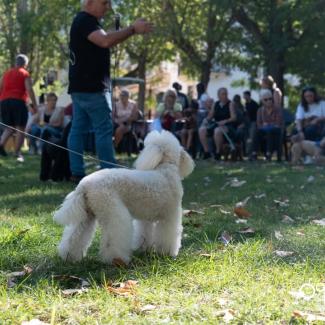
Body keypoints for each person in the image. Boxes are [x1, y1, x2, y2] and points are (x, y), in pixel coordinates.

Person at [68, 0, 153, 182]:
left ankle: (76, 172)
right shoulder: (86, 20)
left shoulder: (82, 21)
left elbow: (104, 38)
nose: (108, 7)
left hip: (80, 87)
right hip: (92, 88)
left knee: (78, 129)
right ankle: (110, 172)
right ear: (90, 2)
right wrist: (132, 29)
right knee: (104, 129)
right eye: (104, 3)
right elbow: (105, 40)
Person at [0, 54, 38, 161]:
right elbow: (29, 89)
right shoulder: (24, 73)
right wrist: (34, 105)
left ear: (15, 63)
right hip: (18, 101)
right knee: (21, 128)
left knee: (9, 127)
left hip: (4, 101)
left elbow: (0, 87)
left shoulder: (6, 73)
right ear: (25, 64)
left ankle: (1, 144)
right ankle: (17, 153)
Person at [199, 87, 236, 160]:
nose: (225, 96)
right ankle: (207, 152)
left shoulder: (230, 104)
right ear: (218, 95)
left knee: (218, 131)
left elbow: (234, 118)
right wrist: (206, 120)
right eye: (223, 94)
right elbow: (210, 115)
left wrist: (225, 121)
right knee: (202, 130)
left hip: (228, 126)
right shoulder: (215, 104)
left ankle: (218, 152)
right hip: (216, 124)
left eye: (226, 94)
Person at [251, 89, 283, 161]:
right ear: (262, 101)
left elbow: (278, 123)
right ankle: (254, 153)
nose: (269, 101)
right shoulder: (260, 110)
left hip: (275, 130)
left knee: (270, 132)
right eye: (266, 100)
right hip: (263, 129)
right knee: (256, 132)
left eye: (270, 99)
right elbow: (259, 124)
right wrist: (266, 125)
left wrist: (268, 124)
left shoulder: (277, 109)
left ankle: (269, 153)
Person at [243, 90, 259, 155]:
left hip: (253, 122)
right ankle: (247, 151)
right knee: (246, 136)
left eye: (245, 96)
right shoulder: (246, 104)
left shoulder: (254, 104)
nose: (244, 97)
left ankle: (250, 152)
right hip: (247, 123)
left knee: (251, 136)